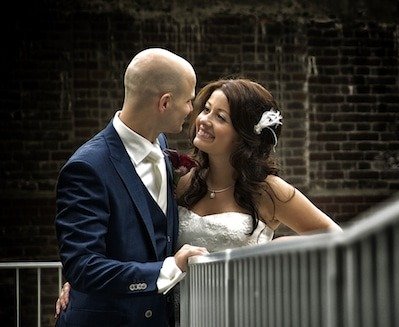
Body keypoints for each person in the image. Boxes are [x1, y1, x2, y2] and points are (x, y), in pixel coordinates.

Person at [56, 78, 342, 319]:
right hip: (177, 315)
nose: (203, 120)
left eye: (221, 117)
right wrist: (82, 282)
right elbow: (136, 236)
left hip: (239, 314)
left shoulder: (269, 190)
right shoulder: (184, 182)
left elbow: (333, 236)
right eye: (206, 109)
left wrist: (276, 249)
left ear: (244, 134)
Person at [54, 48, 209, 327]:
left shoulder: (160, 145)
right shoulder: (87, 167)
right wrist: (169, 268)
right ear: (164, 103)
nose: (191, 110)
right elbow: (82, 266)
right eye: (188, 101)